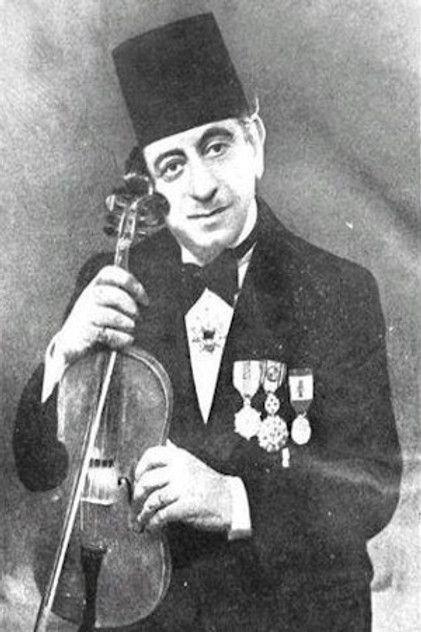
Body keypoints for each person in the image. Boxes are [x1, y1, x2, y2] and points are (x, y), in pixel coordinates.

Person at [14, 13, 402, 632]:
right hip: (150, 612)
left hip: (294, 614)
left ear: (256, 143)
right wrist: (64, 354)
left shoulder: (339, 290)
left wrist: (231, 500)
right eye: (172, 166)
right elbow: (39, 469)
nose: (201, 186)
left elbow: (372, 486)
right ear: (149, 183)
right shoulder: (110, 281)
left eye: (216, 146)